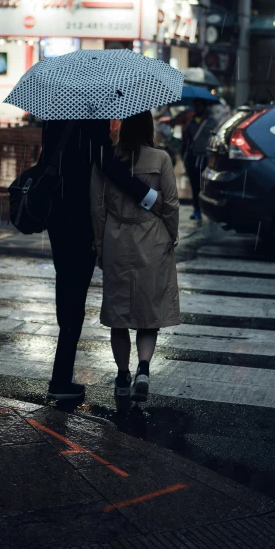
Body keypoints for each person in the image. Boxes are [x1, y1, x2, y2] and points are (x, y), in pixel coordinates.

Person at [41, 117, 162, 402]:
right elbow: (105, 165)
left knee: (66, 292)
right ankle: (60, 378)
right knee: (74, 299)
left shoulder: (54, 118)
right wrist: (146, 195)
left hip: (57, 214)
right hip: (81, 219)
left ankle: (61, 373)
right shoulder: (90, 122)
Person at [90, 111, 180, 405]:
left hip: (117, 238)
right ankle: (143, 368)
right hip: (152, 238)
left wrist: (101, 245)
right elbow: (171, 204)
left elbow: (96, 207)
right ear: (149, 127)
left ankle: (121, 375)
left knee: (119, 315)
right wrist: (171, 235)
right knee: (147, 312)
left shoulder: (106, 159)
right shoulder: (161, 159)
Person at [183, 99, 216, 221]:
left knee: (206, 186)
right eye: (196, 106)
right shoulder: (191, 122)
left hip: (206, 159)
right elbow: (186, 141)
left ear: (205, 107)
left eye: (200, 106)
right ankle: (196, 209)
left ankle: (208, 210)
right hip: (193, 158)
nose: (197, 108)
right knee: (194, 185)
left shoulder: (212, 122)